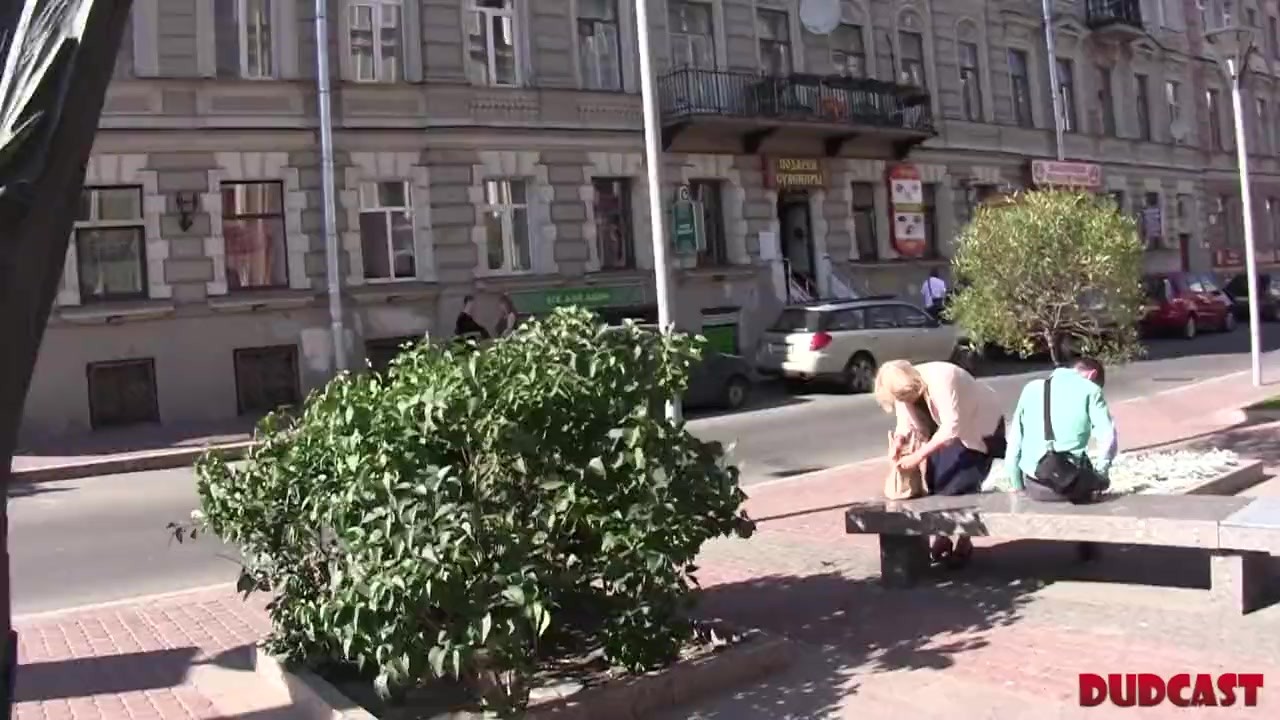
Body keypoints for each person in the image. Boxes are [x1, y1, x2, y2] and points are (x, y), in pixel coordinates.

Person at [875, 360, 1006, 567]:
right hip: (946, 433)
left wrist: (918, 456)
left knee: (962, 485)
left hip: (977, 428)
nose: (903, 401)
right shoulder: (901, 389)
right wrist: (898, 442)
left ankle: (964, 539)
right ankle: (943, 535)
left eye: (904, 397)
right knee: (936, 481)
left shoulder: (943, 377)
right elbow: (905, 423)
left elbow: (951, 426)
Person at [1006, 357, 1117, 502]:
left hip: (1035, 486)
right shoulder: (1091, 390)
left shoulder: (1031, 389)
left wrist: (1017, 485)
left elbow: (1014, 443)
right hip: (1071, 487)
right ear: (1092, 374)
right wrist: (1101, 473)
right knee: (1094, 476)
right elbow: (1109, 438)